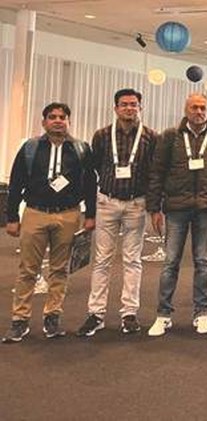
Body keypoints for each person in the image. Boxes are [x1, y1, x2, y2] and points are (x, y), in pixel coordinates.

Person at [2, 103, 96, 343]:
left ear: (68, 121)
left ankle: (52, 317)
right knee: (28, 269)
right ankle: (20, 320)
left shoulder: (81, 149)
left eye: (62, 117)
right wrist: (11, 217)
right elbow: (16, 183)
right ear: (44, 122)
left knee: (60, 269)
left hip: (68, 215)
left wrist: (90, 215)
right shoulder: (31, 148)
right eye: (52, 117)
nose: (58, 121)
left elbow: (89, 184)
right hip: (35, 213)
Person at [146, 93, 207, 337]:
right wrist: (154, 208)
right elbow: (157, 172)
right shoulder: (170, 136)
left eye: (203, 107)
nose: (199, 112)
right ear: (186, 110)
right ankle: (163, 315)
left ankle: (201, 313)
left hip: (206, 208)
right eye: (194, 107)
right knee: (170, 262)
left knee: (202, 262)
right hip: (176, 208)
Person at [76, 88, 157, 337]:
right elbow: (92, 172)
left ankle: (129, 313)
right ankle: (96, 314)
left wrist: (155, 207)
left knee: (133, 260)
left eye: (134, 104)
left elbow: (155, 174)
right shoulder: (102, 135)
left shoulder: (150, 137)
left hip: (136, 204)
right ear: (116, 108)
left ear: (140, 108)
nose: (129, 108)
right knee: (102, 260)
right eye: (124, 104)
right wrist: (90, 211)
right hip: (107, 202)